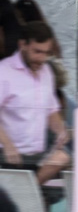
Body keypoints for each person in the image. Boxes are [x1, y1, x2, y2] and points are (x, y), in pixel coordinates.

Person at [0, 22, 67, 183]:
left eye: (46, 53)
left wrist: (60, 131)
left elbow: (51, 110)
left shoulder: (47, 72)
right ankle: (26, 195)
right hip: (8, 156)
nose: (42, 58)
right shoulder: (4, 72)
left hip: (38, 156)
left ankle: (28, 193)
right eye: (37, 52)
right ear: (22, 44)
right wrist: (8, 145)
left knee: (63, 158)